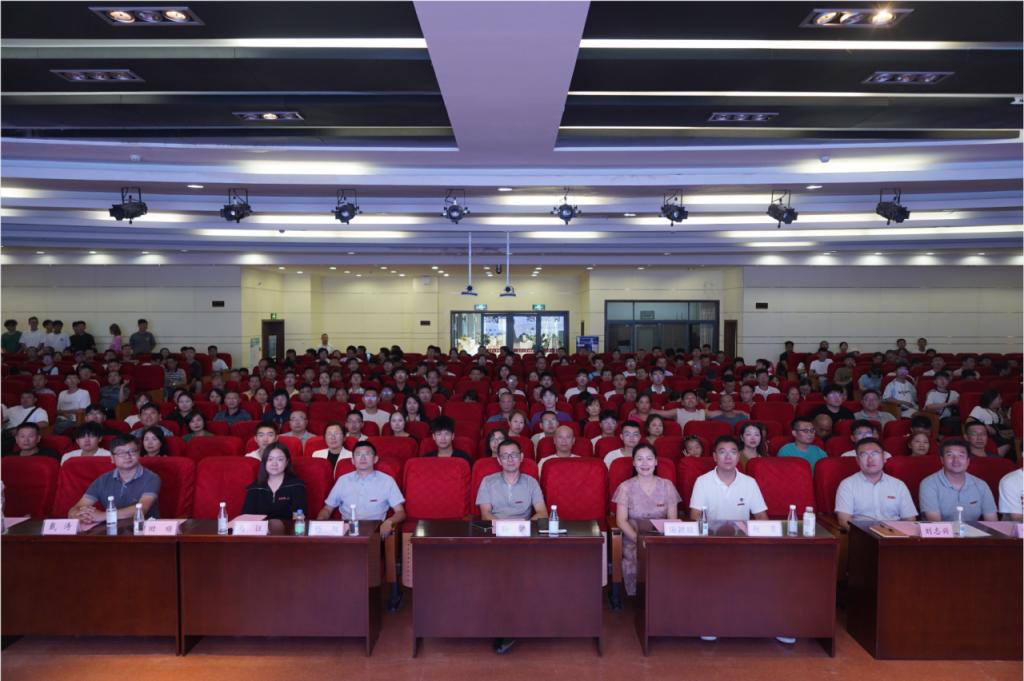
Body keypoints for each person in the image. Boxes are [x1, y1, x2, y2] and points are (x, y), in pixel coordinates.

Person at [476, 438, 547, 655]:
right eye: (505, 456)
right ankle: (500, 622)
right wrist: (503, 529)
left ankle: (518, 621)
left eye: (514, 455)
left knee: (523, 574)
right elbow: (485, 514)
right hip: (495, 535)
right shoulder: (488, 481)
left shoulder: (531, 482)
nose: (510, 459)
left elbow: (542, 512)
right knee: (497, 574)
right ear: (498, 459)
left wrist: (522, 527)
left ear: (521, 457)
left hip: (523, 535)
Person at [613, 443, 681, 597]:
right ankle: (640, 598)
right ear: (633, 462)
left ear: (656, 462)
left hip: (661, 540)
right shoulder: (625, 487)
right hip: (633, 539)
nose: (644, 463)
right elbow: (621, 521)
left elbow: (672, 519)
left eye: (649, 459)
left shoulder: (667, 485)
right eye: (640, 459)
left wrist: (657, 542)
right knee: (636, 557)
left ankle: (667, 597)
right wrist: (639, 540)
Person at [317, 440, 406, 535]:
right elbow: (327, 509)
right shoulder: (343, 480)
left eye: (367, 454)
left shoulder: (387, 481)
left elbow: (400, 512)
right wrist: (319, 522)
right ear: (353, 460)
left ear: (375, 459)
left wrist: (389, 522)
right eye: (358, 454)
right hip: (347, 531)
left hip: (375, 531)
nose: (363, 458)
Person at [68, 436, 160, 520]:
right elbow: (75, 509)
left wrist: (102, 516)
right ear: (112, 458)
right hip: (109, 529)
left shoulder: (151, 478)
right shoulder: (102, 480)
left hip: (142, 529)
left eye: (132, 451)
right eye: (120, 453)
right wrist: (81, 515)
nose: (127, 456)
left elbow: (141, 509)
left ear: (139, 454)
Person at [835, 438, 917, 530]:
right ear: (857, 460)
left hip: (895, 534)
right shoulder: (847, 485)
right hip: (862, 534)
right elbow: (844, 521)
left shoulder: (898, 485)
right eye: (864, 455)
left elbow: (910, 519)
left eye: (875, 454)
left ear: (884, 458)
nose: (870, 459)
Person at [919, 438, 997, 522]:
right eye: (950, 455)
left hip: (974, 530)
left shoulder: (981, 485)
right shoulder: (929, 484)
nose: (956, 460)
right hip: (942, 530)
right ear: (942, 460)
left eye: (961, 455)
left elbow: (992, 522)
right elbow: (936, 524)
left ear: (968, 461)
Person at [241, 443, 308, 521]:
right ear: (264, 462)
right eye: (270, 459)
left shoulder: (297, 486)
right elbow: (246, 519)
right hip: (259, 528)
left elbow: (299, 519)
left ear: (287, 462)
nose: (274, 463)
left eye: (280, 459)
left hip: (289, 528)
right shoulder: (255, 488)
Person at [967, 389, 1013, 457]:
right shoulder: (979, 409)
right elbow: (969, 422)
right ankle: (993, 459)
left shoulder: (998, 413)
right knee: (1009, 441)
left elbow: (1009, 425)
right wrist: (986, 427)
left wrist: (1005, 415)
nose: (1001, 400)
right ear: (991, 399)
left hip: (1000, 434)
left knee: (1013, 440)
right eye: (999, 398)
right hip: (986, 434)